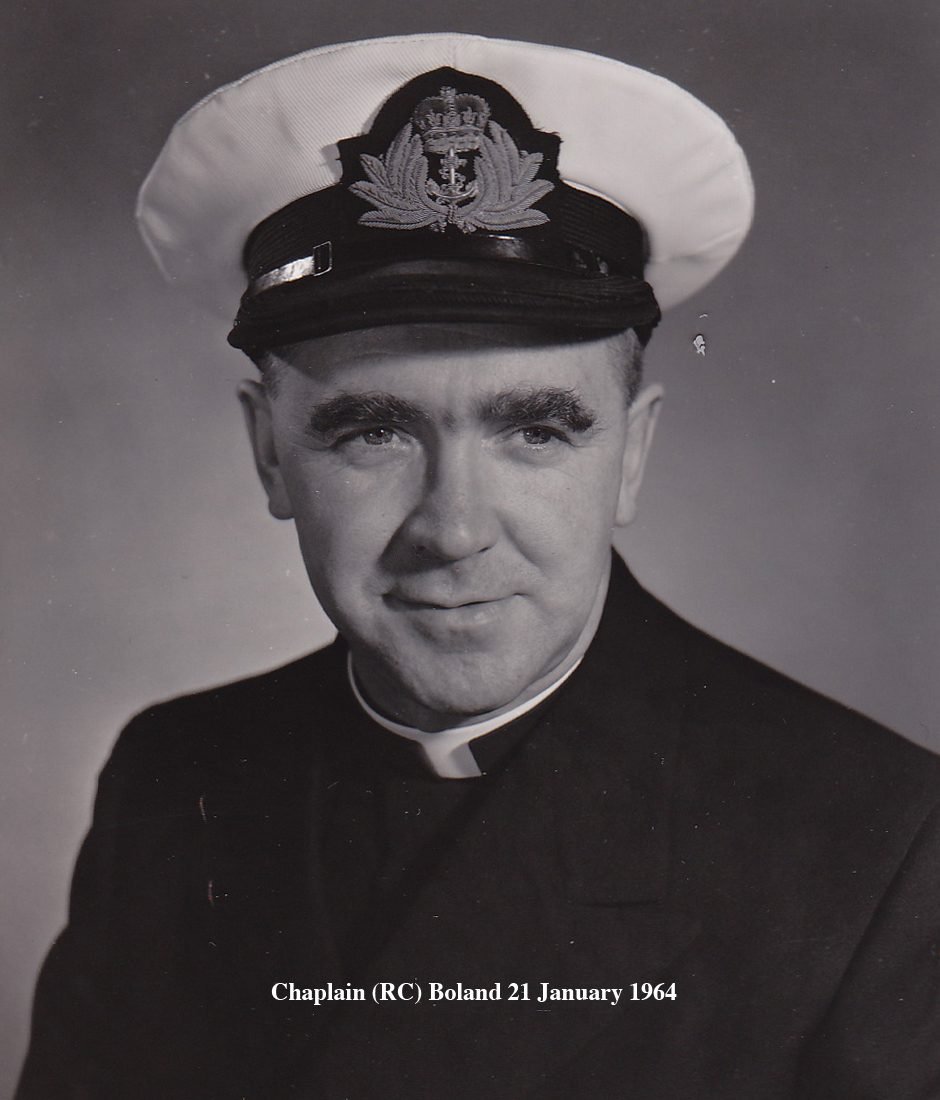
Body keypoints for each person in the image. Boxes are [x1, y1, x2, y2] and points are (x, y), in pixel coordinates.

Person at [16, 32, 940, 1100]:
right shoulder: (173, 779)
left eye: (536, 431)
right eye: (373, 431)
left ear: (631, 454)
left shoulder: (875, 843)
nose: (452, 529)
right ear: (270, 452)